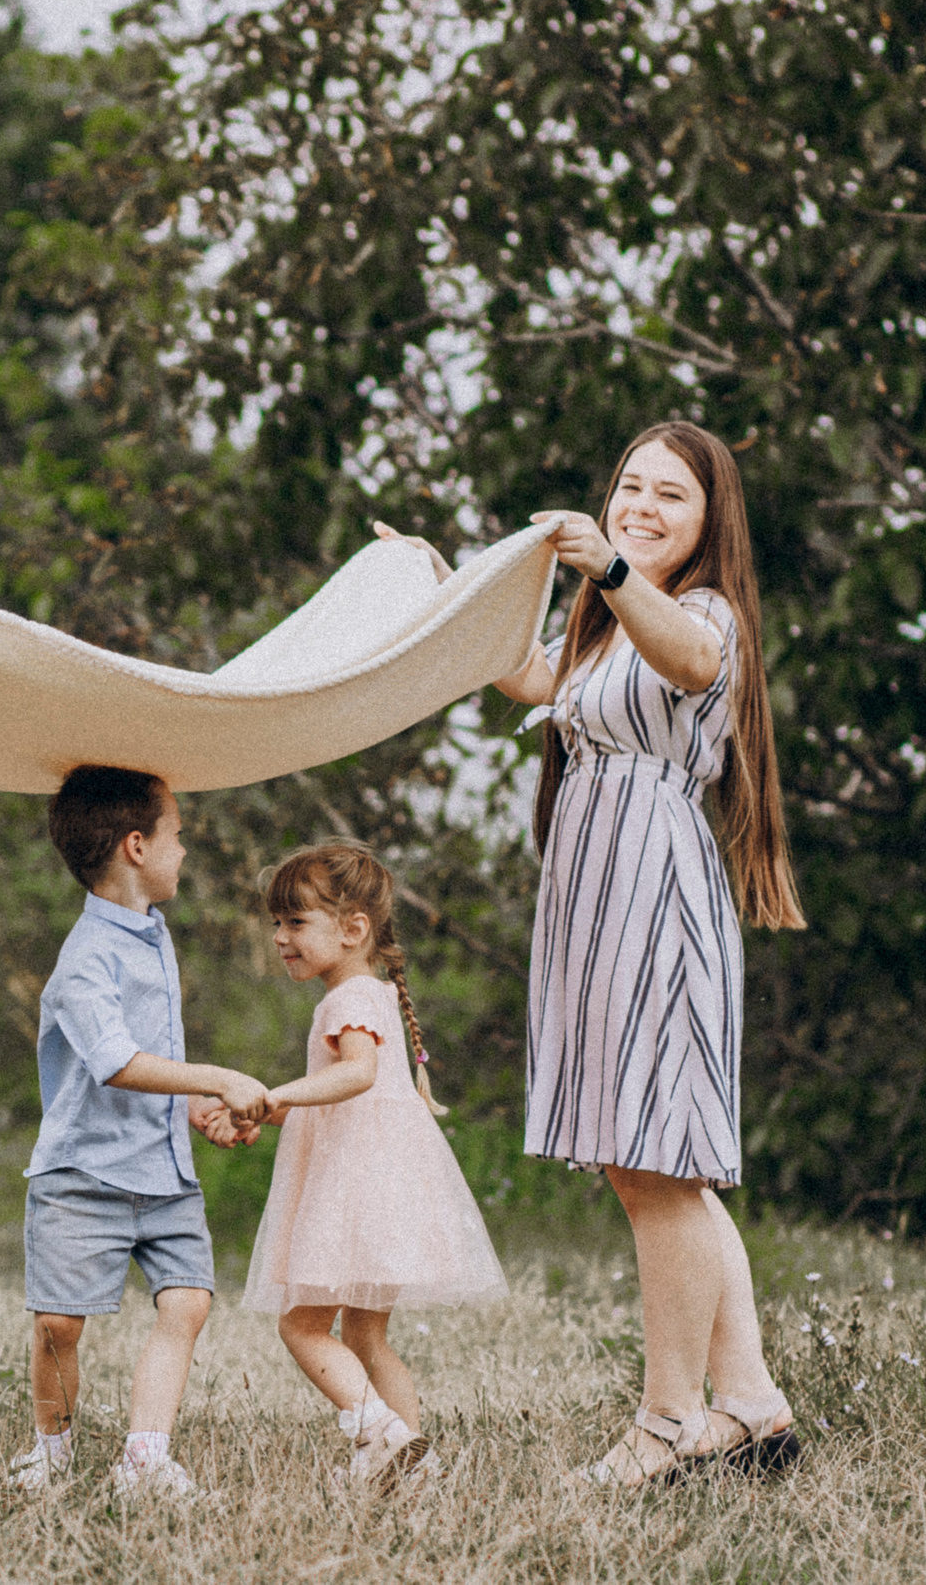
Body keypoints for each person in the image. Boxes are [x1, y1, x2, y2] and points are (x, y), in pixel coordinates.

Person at [398, 420, 806, 1485]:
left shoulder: (695, 613)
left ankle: (668, 1423)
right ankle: (752, 1406)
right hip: (592, 891)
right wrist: (448, 594)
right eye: (630, 486)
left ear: (709, 520)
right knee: (646, 1162)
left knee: (659, 1159)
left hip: (655, 892)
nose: (642, 505)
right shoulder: (606, 628)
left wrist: (612, 564)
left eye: (671, 495)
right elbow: (530, 678)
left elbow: (692, 658)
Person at [5, 764, 270, 1498]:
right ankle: (51, 1450)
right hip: (83, 1173)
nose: (184, 850)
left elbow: (158, 1048)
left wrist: (192, 1107)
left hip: (163, 1171)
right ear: (135, 846)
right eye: (176, 834)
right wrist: (218, 1077)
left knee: (187, 1302)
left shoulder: (154, 936)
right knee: (59, 1322)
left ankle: (146, 1458)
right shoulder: (85, 958)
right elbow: (117, 1061)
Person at [241, 841, 506, 1493]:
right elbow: (338, 1100)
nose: (279, 937)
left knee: (301, 1324)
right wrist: (265, 1112)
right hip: (384, 1188)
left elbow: (355, 1076)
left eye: (295, 921)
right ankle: (413, 1466)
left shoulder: (347, 1001)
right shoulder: (374, 993)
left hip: (355, 1190)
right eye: (276, 922)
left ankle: (379, 1434)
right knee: (365, 1336)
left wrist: (276, 1093)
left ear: (354, 928)